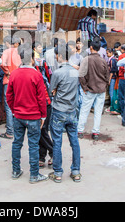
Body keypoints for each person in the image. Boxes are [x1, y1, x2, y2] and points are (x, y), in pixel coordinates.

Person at [7, 43, 49, 184]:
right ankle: (34, 175)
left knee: (17, 143)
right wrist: (43, 115)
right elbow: (41, 98)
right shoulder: (36, 75)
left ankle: (16, 170)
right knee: (33, 145)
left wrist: (14, 110)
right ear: (31, 59)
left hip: (18, 116)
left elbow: (9, 96)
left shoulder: (14, 74)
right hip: (33, 116)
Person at [48, 43, 81, 183]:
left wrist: (55, 91)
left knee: (57, 142)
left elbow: (51, 90)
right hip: (72, 110)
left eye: (56, 55)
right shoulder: (75, 71)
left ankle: (58, 172)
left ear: (60, 56)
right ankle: (76, 171)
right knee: (74, 141)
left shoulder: (57, 73)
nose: (56, 57)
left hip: (59, 110)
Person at [77, 39, 110, 140]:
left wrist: (84, 87)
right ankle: (95, 132)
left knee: (84, 110)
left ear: (91, 47)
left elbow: (81, 75)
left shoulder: (86, 60)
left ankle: (80, 131)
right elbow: (107, 76)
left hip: (90, 89)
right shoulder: (103, 61)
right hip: (101, 89)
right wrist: (104, 85)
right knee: (98, 111)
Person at [0, 36, 22, 139]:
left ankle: (10, 131)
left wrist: (7, 72)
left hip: (9, 81)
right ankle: (18, 129)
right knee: (18, 105)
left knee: (9, 107)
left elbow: (2, 63)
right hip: (19, 81)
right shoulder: (21, 53)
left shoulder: (7, 52)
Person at [105, 48, 119, 115]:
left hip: (113, 78)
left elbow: (112, 71)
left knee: (111, 92)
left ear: (111, 53)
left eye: (107, 53)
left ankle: (112, 106)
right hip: (114, 77)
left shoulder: (112, 60)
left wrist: (109, 80)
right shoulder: (113, 59)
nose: (106, 54)